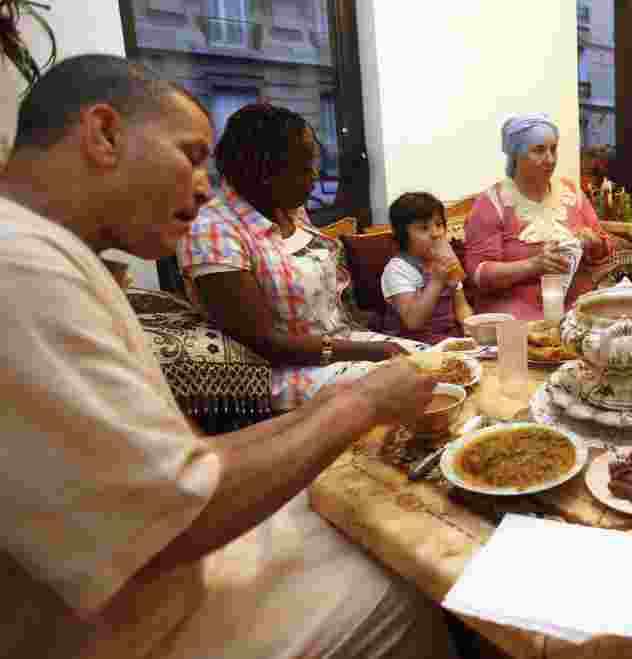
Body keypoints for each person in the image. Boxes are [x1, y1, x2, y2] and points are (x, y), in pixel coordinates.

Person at [0, 54, 455, 659]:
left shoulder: (49, 255)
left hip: (153, 582)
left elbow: (182, 464)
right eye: (190, 156)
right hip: (130, 631)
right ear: (104, 134)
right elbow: (173, 515)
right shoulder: (21, 268)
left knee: (370, 523)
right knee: (415, 580)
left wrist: (354, 396)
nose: (201, 185)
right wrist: (364, 401)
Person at [177, 103, 420, 412]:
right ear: (265, 172)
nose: (315, 176)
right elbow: (268, 343)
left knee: (442, 362)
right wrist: (372, 350)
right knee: (411, 383)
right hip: (288, 372)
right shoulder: (211, 230)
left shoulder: (287, 207)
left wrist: (367, 344)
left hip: (340, 345)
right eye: (304, 168)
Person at [463, 113, 614, 320]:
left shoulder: (571, 193)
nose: (550, 159)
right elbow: (480, 274)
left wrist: (594, 242)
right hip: (514, 308)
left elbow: (604, 250)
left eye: (553, 149)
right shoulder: (492, 203)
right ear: (516, 155)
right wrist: (533, 265)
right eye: (539, 150)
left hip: (575, 304)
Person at [381, 192, 474, 344]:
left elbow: (461, 306)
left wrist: (471, 330)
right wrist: (437, 281)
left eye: (438, 225)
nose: (436, 234)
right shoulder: (398, 268)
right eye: (424, 228)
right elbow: (413, 322)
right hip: (410, 344)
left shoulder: (446, 259)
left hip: (447, 338)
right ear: (403, 235)